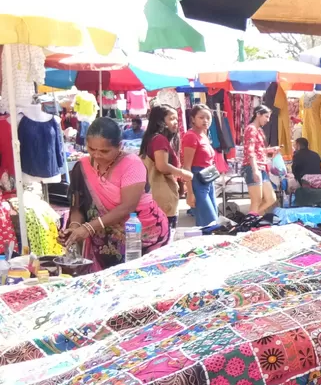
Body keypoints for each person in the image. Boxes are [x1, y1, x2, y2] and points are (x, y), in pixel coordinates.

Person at [61, 117, 169, 270]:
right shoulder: (82, 167)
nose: (97, 155)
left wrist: (88, 228)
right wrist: (74, 227)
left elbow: (127, 207)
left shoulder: (132, 164)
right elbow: (78, 206)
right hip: (104, 243)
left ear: (119, 146)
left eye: (104, 151)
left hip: (142, 236)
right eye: (91, 149)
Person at [140, 104, 192, 230]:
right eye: (171, 118)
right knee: (166, 234)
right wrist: (183, 173)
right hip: (162, 197)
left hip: (155, 195)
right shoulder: (159, 140)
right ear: (160, 121)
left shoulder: (152, 139)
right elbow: (161, 166)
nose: (175, 122)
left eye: (176, 119)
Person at [182, 105, 220, 227]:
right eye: (201, 117)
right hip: (197, 181)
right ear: (193, 119)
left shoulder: (204, 135)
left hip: (209, 179)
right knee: (209, 221)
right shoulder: (190, 136)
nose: (205, 121)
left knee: (211, 220)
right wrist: (190, 192)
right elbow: (187, 167)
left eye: (208, 118)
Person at [242, 105, 278, 216]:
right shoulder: (251, 129)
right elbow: (250, 150)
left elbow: (258, 150)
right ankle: (251, 221)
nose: (267, 120)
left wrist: (270, 150)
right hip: (252, 167)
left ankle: (252, 218)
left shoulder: (259, 130)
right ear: (258, 114)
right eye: (266, 117)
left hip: (261, 167)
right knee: (257, 201)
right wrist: (255, 170)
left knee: (270, 198)